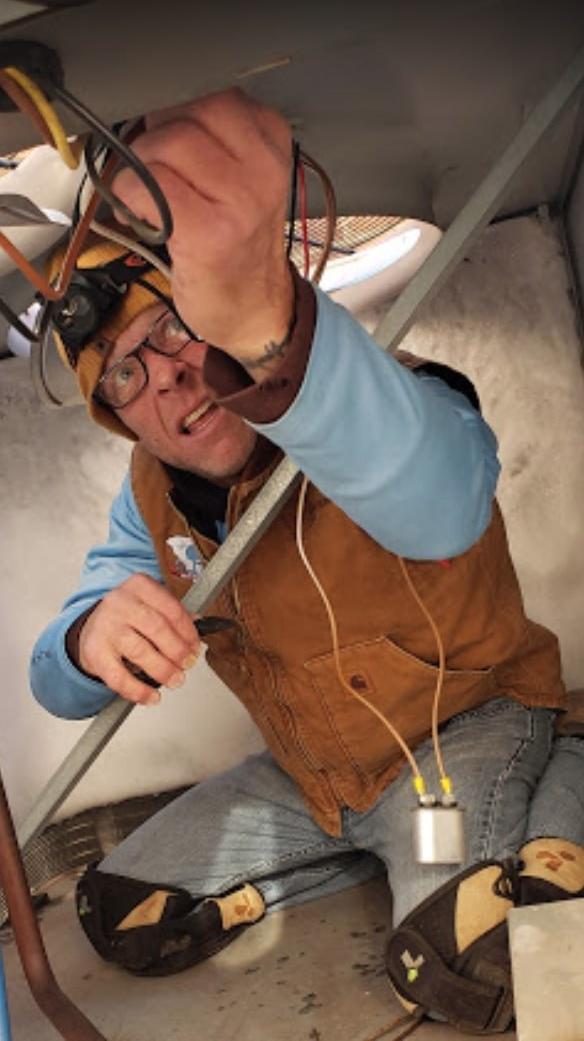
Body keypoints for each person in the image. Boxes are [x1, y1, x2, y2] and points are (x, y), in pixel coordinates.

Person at [30, 88, 584, 1033]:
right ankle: (392, 856)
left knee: (462, 964)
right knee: (120, 913)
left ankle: (562, 772)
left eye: (168, 328)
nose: (163, 375)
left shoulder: (374, 395)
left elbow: (446, 502)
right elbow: (56, 676)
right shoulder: (148, 496)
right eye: (124, 372)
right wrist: (86, 640)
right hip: (311, 781)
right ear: (119, 414)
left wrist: (268, 330)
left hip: (461, 734)